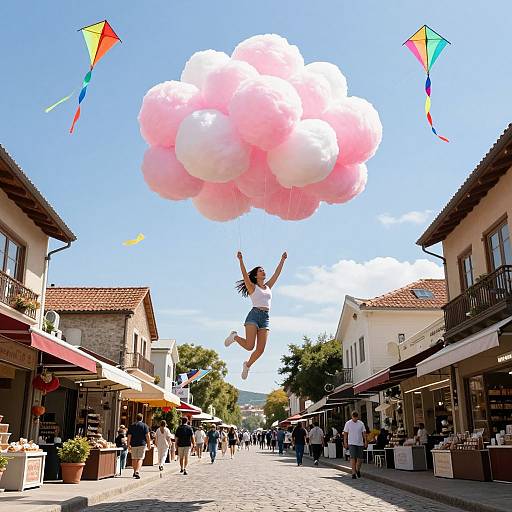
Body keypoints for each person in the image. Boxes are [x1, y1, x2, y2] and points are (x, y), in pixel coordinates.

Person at [225, 251, 287, 380]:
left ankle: (247, 365)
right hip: (253, 316)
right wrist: (240, 260)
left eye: (264, 270)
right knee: (249, 346)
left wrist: (282, 260)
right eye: (260, 270)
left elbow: (277, 274)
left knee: (260, 350)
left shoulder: (268, 286)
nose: (263, 272)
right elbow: (244, 275)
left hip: (265, 318)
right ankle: (235, 337)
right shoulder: (252, 287)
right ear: (256, 275)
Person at [343, 411, 368, 479]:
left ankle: (358, 470)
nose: (355, 419)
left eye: (356, 418)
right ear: (352, 417)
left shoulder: (361, 423)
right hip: (351, 443)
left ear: (357, 417)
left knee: (360, 459)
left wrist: (365, 441)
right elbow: (345, 433)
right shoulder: (348, 423)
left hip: (360, 443)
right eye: (354, 418)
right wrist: (345, 442)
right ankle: (353, 473)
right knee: (353, 458)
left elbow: (364, 433)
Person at [127, 413, 151, 479]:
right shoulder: (145, 426)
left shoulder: (132, 425)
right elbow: (147, 436)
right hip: (142, 444)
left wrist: (128, 444)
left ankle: (134, 471)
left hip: (133, 444)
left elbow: (129, 436)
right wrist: (149, 444)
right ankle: (137, 471)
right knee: (140, 458)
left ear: (136, 418)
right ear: (142, 418)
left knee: (134, 458)